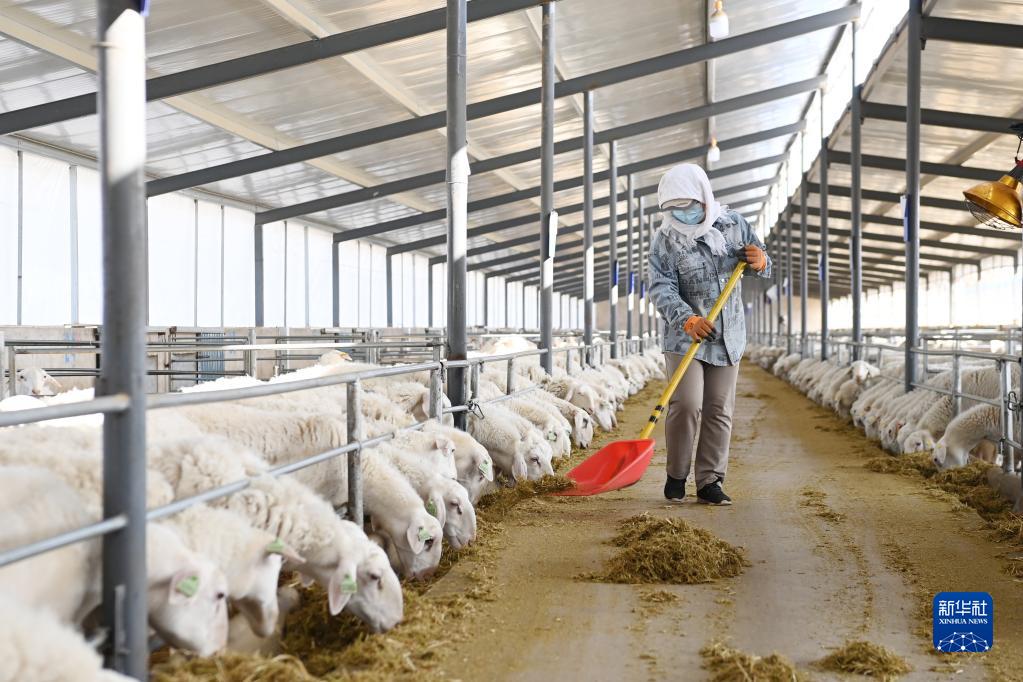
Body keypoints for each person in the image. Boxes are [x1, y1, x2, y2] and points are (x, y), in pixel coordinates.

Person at [647, 163, 771, 505]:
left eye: (687, 205)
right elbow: (660, 287)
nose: (681, 213)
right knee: (686, 404)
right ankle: (676, 475)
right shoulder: (665, 240)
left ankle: (710, 481)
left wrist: (760, 261)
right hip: (685, 336)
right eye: (674, 208)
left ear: (703, 197)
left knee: (719, 408)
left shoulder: (734, 225)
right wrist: (686, 319)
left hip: (727, 334)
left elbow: (763, 262)